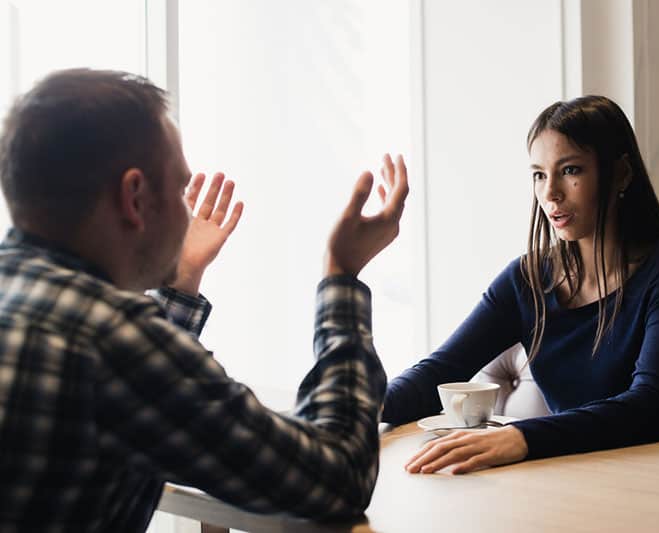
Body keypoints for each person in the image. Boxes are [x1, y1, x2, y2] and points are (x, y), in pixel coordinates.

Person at [0, 68, 408, 530]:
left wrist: (182, 280)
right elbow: (337, 475)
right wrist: (342, 273)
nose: (187, 210)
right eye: (179, 188)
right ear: (134, 196)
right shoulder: (111, 340)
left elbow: (128, 394)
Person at [382, 95, 659, 475]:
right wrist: (350, 406)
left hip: (658, 476)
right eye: (539, 174)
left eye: (570, 170)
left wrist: (521, 438)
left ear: (621, 174)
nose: (550, 192)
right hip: (567, 473)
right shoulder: (528, 279)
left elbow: (652, 405)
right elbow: (438, 372)